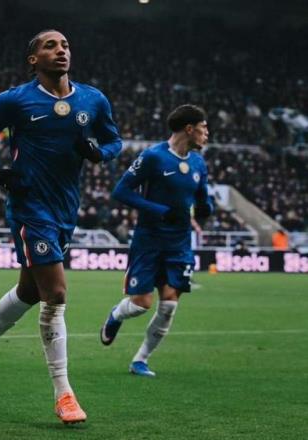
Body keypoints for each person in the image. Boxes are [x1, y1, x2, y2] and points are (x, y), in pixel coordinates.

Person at [0, 29, 122, 424]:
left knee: (30, 290)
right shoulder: (16, 100)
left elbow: (114, 142)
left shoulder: (92, 100)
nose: (61, 50)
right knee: (56, 293)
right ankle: (64, 394)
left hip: (65, 208)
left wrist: (98, 153)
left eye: (65, 45)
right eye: (50, 46)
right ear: (33, 59)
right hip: (29, 206)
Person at [100, 104, 213, 377]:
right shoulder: (153, 157)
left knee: (169, 304)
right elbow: (121, 191)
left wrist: (206, 207)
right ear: (189, 129)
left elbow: (202, 198)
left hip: (179, 243)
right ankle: (116, 315)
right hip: (149, 240)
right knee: (141, 304)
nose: (207, 133)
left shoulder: (198, 163)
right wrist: (159, 210)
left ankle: (141, 360)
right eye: (203, 127)